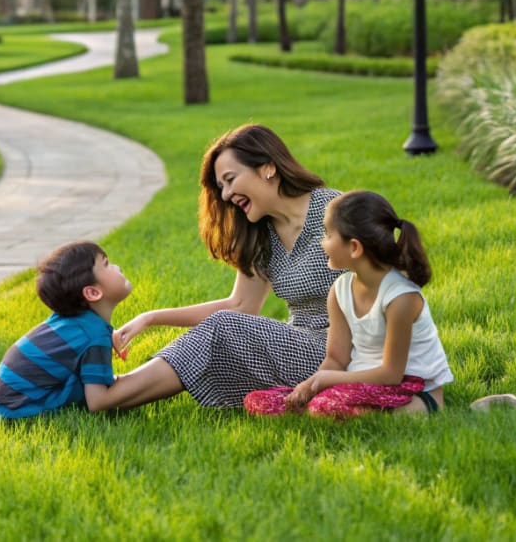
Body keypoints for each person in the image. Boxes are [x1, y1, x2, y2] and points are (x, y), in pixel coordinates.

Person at [102, 124, 344, 410]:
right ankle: (117, 391)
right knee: (223, 340)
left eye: (230, 179)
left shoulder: (336, 211)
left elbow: (386, 287)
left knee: (222, 328)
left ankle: (114, 394)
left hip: (345, 353)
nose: (226, 194)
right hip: (301, 346)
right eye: (221, 187)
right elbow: (240, 306)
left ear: (267, 168)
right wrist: (151, 317)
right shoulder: (261, 235)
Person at [244, 190, 454, 418]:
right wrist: (310, 385)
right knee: (260, 400)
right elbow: (336, 359)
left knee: (326, 407)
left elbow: (392, 374)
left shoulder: (400, 298)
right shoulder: (340, 290)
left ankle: (421, 407)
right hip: (359, 381)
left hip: (411, 386)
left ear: (354, 247)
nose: (323, 244)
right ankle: (324, 408)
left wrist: (330, 381)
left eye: (327, 234)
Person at [0, 240, 134, 418]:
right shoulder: (94, 335)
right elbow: (98, 401)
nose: (116, 267)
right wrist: (145, 380)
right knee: (103, 385)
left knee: (91, 379)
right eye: (107, 264)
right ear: (93, 293)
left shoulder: (73, 323)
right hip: (17, 410)